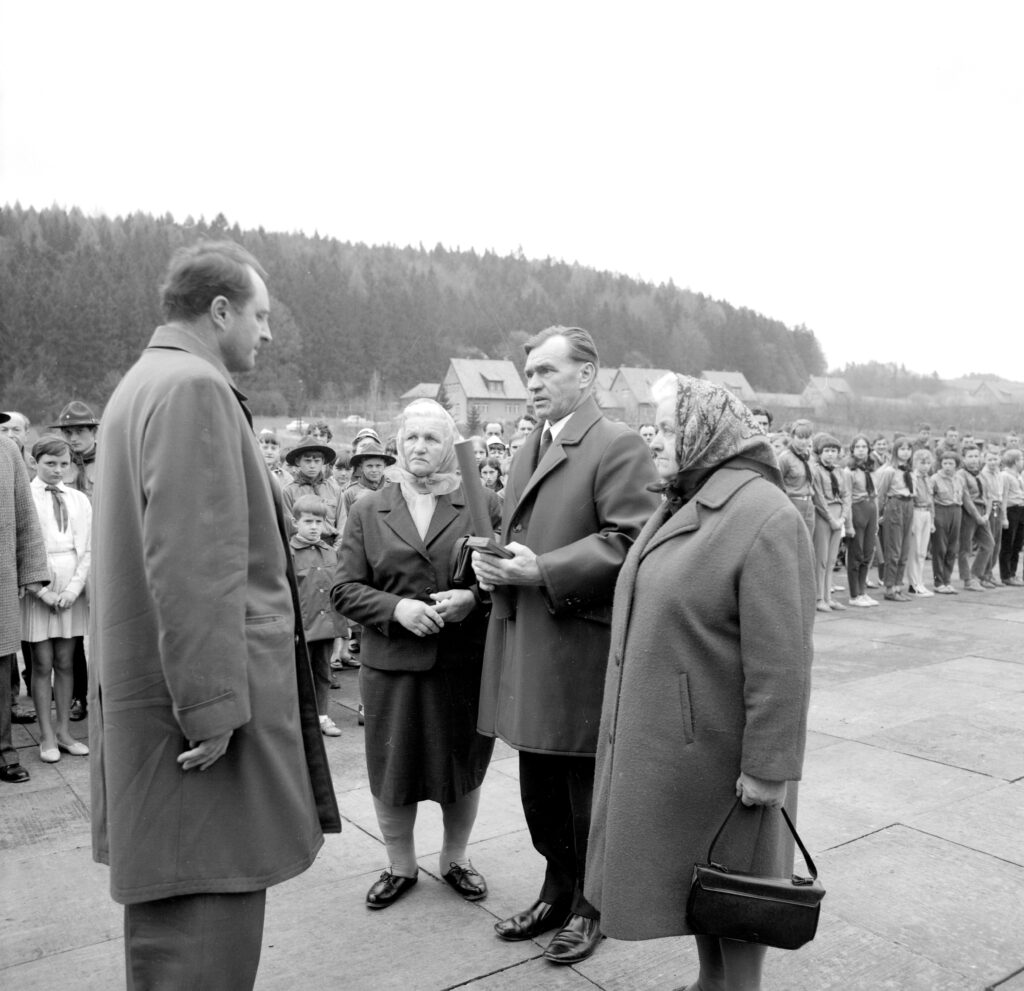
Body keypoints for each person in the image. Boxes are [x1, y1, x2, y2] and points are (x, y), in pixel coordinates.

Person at [89, 241, 340, 990]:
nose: (266, 333)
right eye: (260, 315)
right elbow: (193, 567)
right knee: (205, 941)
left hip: (155, 712)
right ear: (221, 309)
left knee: (172, 942)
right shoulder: (194, 387)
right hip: (196, 731)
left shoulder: (145, 383)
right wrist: (212, 708)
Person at [585, 374, 815, 991]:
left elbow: (784, 662)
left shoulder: (765, 516)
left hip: (725, 759)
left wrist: (770, 766)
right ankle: (710, 984)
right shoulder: (685, 500)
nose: (652, 438)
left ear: (702, 433)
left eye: (664, 426)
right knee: (706, 888)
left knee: (740, 900)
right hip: (682, 753)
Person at [472, 326, 659, 966]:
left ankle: (590, 906)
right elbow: (516, 531)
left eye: (547, 372)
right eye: (529, 374)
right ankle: (555, 888)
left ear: (588, 376)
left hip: (577, 651)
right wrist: (494, 565)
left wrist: (543, 570)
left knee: (582, 792)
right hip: (532, 644)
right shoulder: (533, 442)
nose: (534, 384)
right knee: (540, 788)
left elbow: (632, 539)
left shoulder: (616, 443)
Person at [333, 399, 500, 910]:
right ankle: (400, 866)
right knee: (393, 767)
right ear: (396, 445)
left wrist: (474, 598)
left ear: (450, 446)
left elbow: (504, 578)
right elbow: (342, 590)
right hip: (392, 665)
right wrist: (396, 608)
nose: (420, 447)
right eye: (412, 438)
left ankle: (455, 859)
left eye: (432, 438)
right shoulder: (367, 508)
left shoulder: (481, 501)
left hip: (461, 664)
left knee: (461, 764)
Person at [21, 435, 92, 763]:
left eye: (64, 464)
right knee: (42, 662)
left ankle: (64, 731)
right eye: (50, 463)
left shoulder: (79, 499)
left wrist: (73, 590)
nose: (58, 470)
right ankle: (46, 734)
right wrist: (42, 590)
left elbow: (88, 548)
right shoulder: (25, 498)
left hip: (70, 586)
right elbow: (20, 546)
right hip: (40, 585)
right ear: (35, 462)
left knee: (66, 660)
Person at [1, 426, 50, 784]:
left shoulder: (7, 450)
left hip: (0, 580)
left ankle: (5, 752)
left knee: (1, 671)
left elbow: (25, 516)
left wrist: (30, 573)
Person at [50, 400, 99, 723]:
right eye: (68, 432)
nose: (73, 437)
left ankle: (105, 695)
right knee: (73, 634)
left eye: (80, 431)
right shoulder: (59, 465)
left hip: (102, 555)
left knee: (105, 630)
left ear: (94, 431)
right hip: (69, 558)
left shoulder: (110, 460)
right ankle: (79, 696)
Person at [289, 495, 347, 736]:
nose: (314, 527)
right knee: (296, 674)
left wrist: (342, 626)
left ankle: (322, 716)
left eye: (319, 522)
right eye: (308, 521)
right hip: (300, 627)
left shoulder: (329, 552)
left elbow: (337, 590)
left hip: (325, 625)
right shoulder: (288, 553)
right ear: (295, 522)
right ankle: (298, 721)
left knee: (323, 672)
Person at [875, 436, 916, 601]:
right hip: (895, 505)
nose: (905, 453)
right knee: (894, 549)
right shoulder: (889, 471)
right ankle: (889, 587)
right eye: (902, 449)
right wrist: (878, 515)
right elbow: (881, 494)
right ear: (895, 451)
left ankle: (899, 585)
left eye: (908, 449)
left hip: (908, 505)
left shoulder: (909, 470)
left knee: (905, 549)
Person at [809, 433, 846, 612]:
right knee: (821, 559)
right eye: (827, 451)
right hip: (824, 516)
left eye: (834, 451)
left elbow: (846, 495)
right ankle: (818, 597)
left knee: (832, 559)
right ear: (819, 452)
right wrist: (831, 519)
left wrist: (843, 518)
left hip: (839, 515)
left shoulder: (839, 471)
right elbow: (818, 497)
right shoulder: (816, 470)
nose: (830, 454)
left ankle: (828, 597)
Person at [282, 438, 345, 542]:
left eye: (317, 461)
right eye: (307, 461)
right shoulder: (289, 492)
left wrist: (335, 551)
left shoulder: (334, 489)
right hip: (302, 547)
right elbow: (289, 527)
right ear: (298, 462)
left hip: (331, 545)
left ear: (323, 462)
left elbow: (343, 525)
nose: (312, 465)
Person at [843, 434, 879, 607]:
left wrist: (877, 519)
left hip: (870, 510)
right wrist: (848, 523)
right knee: (856, 554)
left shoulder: (871, 469)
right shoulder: (849, 472)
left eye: (864, 447)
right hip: (857, 511)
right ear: (852, 450)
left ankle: (863, 591)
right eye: (857, 447)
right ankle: (854, 594)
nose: (861, 450)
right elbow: (847, 497)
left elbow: (875, 494)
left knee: (867, 553)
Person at [957, 444, 994, 591]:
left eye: (976, 456)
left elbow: (989, 496)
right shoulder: (961, 474)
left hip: (983, 512)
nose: (974, 460)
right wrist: (977, 516)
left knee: (989, 544)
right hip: (968, 513)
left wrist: (987, 514)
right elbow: (966, 498)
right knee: (965, 548)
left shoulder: (981, 474)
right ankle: (967, 580)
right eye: (970, 456)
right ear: (964, 458)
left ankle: (976, 575)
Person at [929, 450, 963, 594]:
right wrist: (932, 518)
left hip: (956, 510)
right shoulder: (935, 478)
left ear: (956, 465)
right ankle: (938, 581)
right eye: (945, 463)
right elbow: (930, 499)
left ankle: (947, 580)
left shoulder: (959, 478)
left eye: (951, 463)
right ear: (940, 464)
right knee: (939, 548)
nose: (948, 466)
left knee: (952, 548)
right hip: (940, 510)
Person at [906, 448, 935, 596]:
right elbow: (911, 500)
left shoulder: (928, 479)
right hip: (916, 512)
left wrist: (932, 520)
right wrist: (910, 521)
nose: (925, 466)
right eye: (922, 462)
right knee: (915, 550)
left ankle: (920, 581)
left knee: (923, 551)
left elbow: (931, 501)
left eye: (928, 463)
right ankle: (913, 583)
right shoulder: (912, 478)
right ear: (915, 462)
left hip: (926, 513)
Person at [999, 449, 1024, 585]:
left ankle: (1013, 573)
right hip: (1011, 510)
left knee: (1017, 544)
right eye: (1021, 459)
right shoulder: (1005, 476)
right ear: (1015, 461)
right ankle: (1006, 575)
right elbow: (1003, 497)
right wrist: (1004, 517)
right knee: (1008, 544)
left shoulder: (1018, 476)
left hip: (1021, 509)